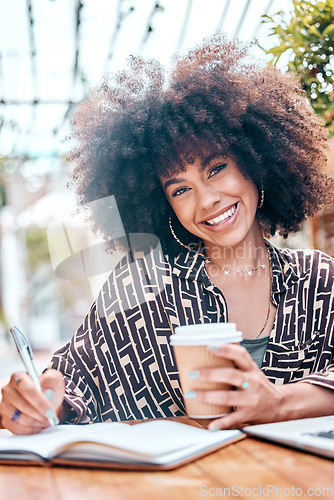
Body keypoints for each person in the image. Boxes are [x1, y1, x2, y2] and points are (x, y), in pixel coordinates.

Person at [1, 34, 334, 435]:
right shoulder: (141, 287)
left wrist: (279, 403)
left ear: (256, 162)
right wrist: (42, 398)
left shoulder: (318, 279)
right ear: (162, 206)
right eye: (180, 189)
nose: (207, 200)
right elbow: (72, 384)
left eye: (216, 168)